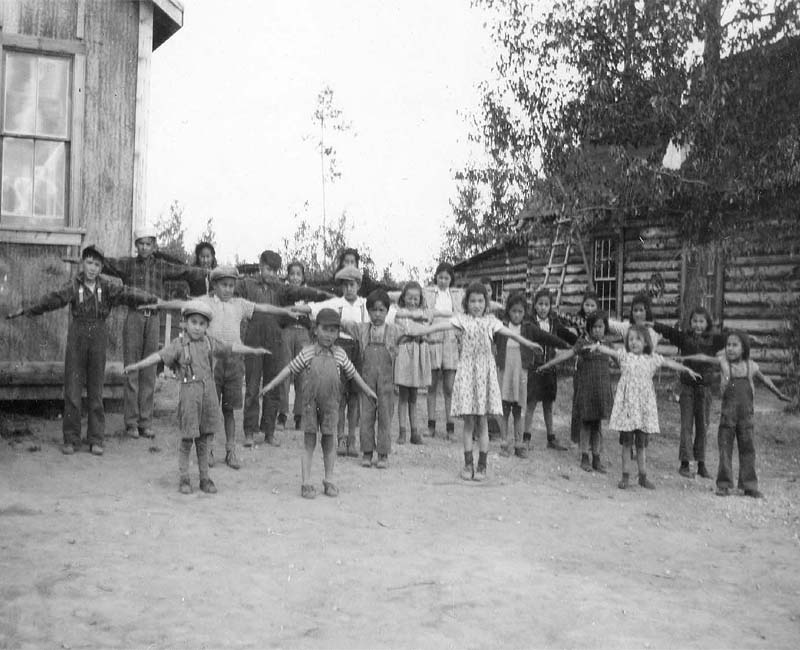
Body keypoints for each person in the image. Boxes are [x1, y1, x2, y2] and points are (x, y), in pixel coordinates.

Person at [6, 245, 161, 456]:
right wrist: (28, 309)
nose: (92, 268)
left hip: (98, 335)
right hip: (77, 336)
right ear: (82, 263)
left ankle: (96, 439)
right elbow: (53, 299)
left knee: (96, 390)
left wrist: (152, 299)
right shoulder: (73, 285)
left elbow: (128, 293)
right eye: (89, 263)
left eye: (97, 264)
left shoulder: (107, 287)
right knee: (73, 389)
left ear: (101, 267)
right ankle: (71, 438)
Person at [139, 265, 298, 469]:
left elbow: (264, 308)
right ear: (214, 285)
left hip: (233, 363)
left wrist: (285, 310)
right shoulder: (205, 302)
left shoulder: (239, 304)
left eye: (231, 285)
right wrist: (159, 304)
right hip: (211, 363)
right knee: (209, 409)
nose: (228, 289)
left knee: (229, 410)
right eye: (224, 285)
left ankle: (231, 451)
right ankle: (209, 450)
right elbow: (182, 303)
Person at [122, 300, 268, 494]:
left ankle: (204, 478)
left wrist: (253, 350)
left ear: (207, 326)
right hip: (190, 398)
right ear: (185, 323)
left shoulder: (209, 342)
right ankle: (184, 478)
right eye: (193, 322)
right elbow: (158, 356)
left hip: (208, 396)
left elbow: (231, 347)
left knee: (204, 440)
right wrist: (136, 366)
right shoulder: (179, 345)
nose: (197, 327)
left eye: (202, 324)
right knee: (187, 439)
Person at [424, 282, 545, 481]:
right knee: (468, 423)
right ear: (466, 303)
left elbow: (511, 334)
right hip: (467, 376)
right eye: (473, 301)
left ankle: (482, 466)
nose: (477, 305)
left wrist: (529, 343)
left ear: (485, 303)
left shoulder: (491, 322)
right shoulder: (462, 320)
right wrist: (418, 331)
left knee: (482, 423)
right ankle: (467, 464)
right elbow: (440, 325)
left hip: (484, 377)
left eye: (480, 301)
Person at [259, 308, 378, 498]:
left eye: (333, 330)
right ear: (315, 330)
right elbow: (289, 369)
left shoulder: (340, 354)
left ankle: (329, 480)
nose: (329, 335)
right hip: (310, 405)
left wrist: (368, 391)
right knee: (309, 442)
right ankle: (306, 482)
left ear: (338, 333)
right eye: (325, 329)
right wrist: (270, 385)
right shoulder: (307, 352)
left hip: (331, 406)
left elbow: (354, 374)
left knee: (329, 442)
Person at [103, 226, 209, 440]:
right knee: (132, 368)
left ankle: (146, 421)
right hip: (134, 317)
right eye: (141, 243)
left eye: (148, 244)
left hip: (153, 319)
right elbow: (106, 263)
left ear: (154, 246)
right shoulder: (128, 265)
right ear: (136, 245)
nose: (144, 247)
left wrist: (207, 272)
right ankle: (131, 423)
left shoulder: (161, 266)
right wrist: (85, 256)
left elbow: (183, 271)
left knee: (149, 370)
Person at [237, 250, 332, 448]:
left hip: (275, 340)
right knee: (252, 386)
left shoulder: (281, 289)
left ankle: (269, 431)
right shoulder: (247, 284)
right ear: (260, 266)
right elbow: (228, 291)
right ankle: (249, 431)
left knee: (273, 385)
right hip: (253, 339)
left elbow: (300, 292)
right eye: (268, 269)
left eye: (275, 270)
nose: (271, 274)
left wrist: (323, 294)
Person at [681, 331, 791, 498]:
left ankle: (749, 485)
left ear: (744, 348)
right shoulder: (724, 363)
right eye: (728, 345)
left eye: (735, 345)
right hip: (728, 417)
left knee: (748, 450)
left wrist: (779, 394)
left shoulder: (751, 366)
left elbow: (765, 380)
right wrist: (682, 358)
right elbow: (703, 357)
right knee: (725, 450)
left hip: (746, 418)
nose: (730, 348)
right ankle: (724, 484)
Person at [591, 325, 701, 490]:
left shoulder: (652, 358)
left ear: (646, 342)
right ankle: (625, 476)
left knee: (641, 445)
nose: (634, 342)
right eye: (631, 339)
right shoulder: (625, 356)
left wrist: (686, 368)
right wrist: (597, 347)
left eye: (638, 339)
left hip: (643, 410)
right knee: (627, 444)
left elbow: (669, 362)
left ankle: (643, 476)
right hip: (627, 410)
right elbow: (610, 351)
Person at [340, 289, 441, 468]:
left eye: (381, 310)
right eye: (373, 310)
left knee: (385, 415)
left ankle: (383, 454)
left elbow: (416, 331)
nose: (377, 314)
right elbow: (342, 322)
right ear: (368, 311)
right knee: (366, 416)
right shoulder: (361, 329)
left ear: (387, 312)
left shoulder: (394, 330)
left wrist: (440, 328)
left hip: (386, 382)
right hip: (367, 381)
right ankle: (367, 452)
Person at [298, 265, 377, 457]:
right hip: (340, 348)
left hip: (359, 350)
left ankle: (352, 438)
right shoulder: (335, 303)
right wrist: (291, 308)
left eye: (352, 285)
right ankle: (340, 437)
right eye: (345, 285)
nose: (349, 289)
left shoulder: (365, 305)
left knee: (355, 396)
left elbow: (386, 312)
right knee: (339, 396)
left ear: (358, 285)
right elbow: (313, 308)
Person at [494, 292, 572, 458]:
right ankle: (504, 443)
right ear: (508, 311)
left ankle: (519, 444)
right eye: (513, 311)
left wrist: (566, 345)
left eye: (520, 312)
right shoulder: (501, 327)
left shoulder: (528, 328)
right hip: (505, 373)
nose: (517, 315)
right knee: (504, 409)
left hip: (520, 374)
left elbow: (547, 337)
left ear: (525, 312)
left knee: (518, 410)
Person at [652, 307, 725, 479]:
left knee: (703, 426)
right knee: (686, 425)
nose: (698, 324)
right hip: (687, 388)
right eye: (695, 321)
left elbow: (733, 338)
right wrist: (653, 324)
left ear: (707, 323)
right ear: (690, 322)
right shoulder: (684, 338)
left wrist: (747, 338)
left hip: (704, 389)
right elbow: (668, 331)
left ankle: (701, 464)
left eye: (701, 321)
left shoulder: (714, 340)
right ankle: (685, 463)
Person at [537, 312, 614, 472]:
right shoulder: (583, 343)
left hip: (601, 391)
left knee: (597, 426)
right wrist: (548, 365)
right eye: (594, 327)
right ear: (589, 329)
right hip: (587, 390)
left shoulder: (608, 346)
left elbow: (621, 360)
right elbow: (568, 354)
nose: (597, 330)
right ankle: (584, 456)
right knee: (585, 424)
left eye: (600, 327)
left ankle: (596, 458)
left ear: (605, 328)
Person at [523, 288, 578, 452]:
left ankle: (551, 438)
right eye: (540, 304)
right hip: (534, 367)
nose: (543, 308)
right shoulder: (529, 323)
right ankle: (526, 438)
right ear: (534, 305)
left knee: (548, 404)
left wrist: (580, 342)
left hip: (550, 367)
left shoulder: (554, 323)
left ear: (550, 306)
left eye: (546, 304)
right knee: (531, 403)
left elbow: (567, 335)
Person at [423, 262, 463, 439]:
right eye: (440, 277)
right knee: (431, 385)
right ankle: (431, 425)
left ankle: (450, 427)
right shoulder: (428, 293)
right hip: (434, 336)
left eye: (447, 278)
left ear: (451, 279)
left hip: (451, 338)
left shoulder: (457, 295)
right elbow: (427, 313)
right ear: (436, 277)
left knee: (449, 387)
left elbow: (459, 315)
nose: (443, 281)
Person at [393, 281, 432, 445]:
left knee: (414, 397)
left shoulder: (423, 314)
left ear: (420, 299)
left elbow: (426, 333)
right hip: (404, 354)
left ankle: (414, 432)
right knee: (403, 395)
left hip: (417, 355)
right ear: (403, 297)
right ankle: (402, 431)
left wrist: (422, 335)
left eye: (416, 298)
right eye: (409, 298)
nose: (413, 301)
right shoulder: (399, 314)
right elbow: (399, 334)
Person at [279, 260, 316, 431]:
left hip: (303, 334)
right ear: (288, 276)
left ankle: (299, 415)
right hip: (286, 332)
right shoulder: (283, 292)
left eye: (298, 274)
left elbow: (312, 314)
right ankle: (282, 414)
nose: (295, 277)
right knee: (285, 371)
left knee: (302, 374)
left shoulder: (308, 294)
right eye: (292, 274)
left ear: (303, 277)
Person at [568, 290, 600, 445]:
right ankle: (576, 435)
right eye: (587, 305)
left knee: (594, 400)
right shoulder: (577, 321)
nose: (589, 308)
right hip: (580, 363)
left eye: (592, 305)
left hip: (595, 366)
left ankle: (594, 436)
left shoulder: (599, 323)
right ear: (582, 305)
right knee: (578, 399)